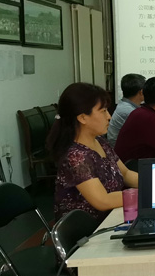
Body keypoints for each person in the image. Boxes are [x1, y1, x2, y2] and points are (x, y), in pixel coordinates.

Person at [48, 82, 138, 223]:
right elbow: (103, 200)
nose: (109, 116)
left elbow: (125, 174)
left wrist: (154, 184)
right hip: (88, 229)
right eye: (103, 111)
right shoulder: (75, 156)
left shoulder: (99, 141)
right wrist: (150, 194)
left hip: (111, 217)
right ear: (82, 118)